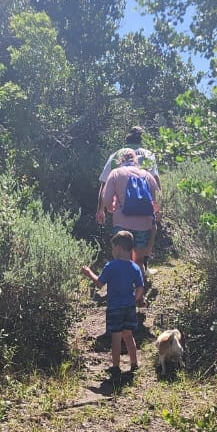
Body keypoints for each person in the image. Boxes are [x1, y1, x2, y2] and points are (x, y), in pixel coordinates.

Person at [81, 230, 145, 382]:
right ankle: (134, 363)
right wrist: (134, 299)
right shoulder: (135, 267)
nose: (112, 252)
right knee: (128, 335)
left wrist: (89, 273)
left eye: (113, 248)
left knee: (116, 337)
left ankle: (116, 367)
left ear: (119, 248)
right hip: (129, 307)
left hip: (115, 307)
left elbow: (100, 283)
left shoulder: (111, 266)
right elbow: (140, 288)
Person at [98, 146, 161, 274]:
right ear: (136, 160)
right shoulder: (147, 174)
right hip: (143, 224)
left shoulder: (115, 173)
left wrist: (110, 208)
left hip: (122, 223)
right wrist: (155, 214)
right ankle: (139, 283)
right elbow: (155, 199)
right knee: (138, 260)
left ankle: (121, 283)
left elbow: (106, 197)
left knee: (121, 258)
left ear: (120, 160)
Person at [95, 125, 160, 227]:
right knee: (145, 235)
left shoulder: (115, 155)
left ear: (127, 139)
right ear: (142, 140)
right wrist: (158, 210)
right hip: (145, 215)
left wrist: (100, 210)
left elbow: (104, 185)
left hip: (121, 216)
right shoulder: (148, 155)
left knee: (122, 236)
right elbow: (155, 184)